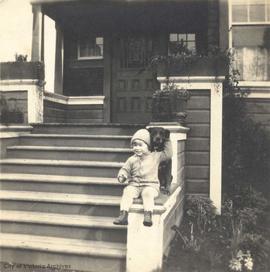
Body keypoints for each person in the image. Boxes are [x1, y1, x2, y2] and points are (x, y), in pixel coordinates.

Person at [113, 128, 172, 227]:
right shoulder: (131, 159)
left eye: (140, 145)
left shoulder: (156, 156)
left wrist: (167, 140)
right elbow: (125, 169)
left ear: (148, 146)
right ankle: (123, 215)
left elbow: (169, 154)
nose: (137, 148)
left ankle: (148, 214)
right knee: (127, 192)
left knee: (147, 193)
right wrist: (122, 175)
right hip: (135, 185)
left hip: (151, 185)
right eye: (134, 145)